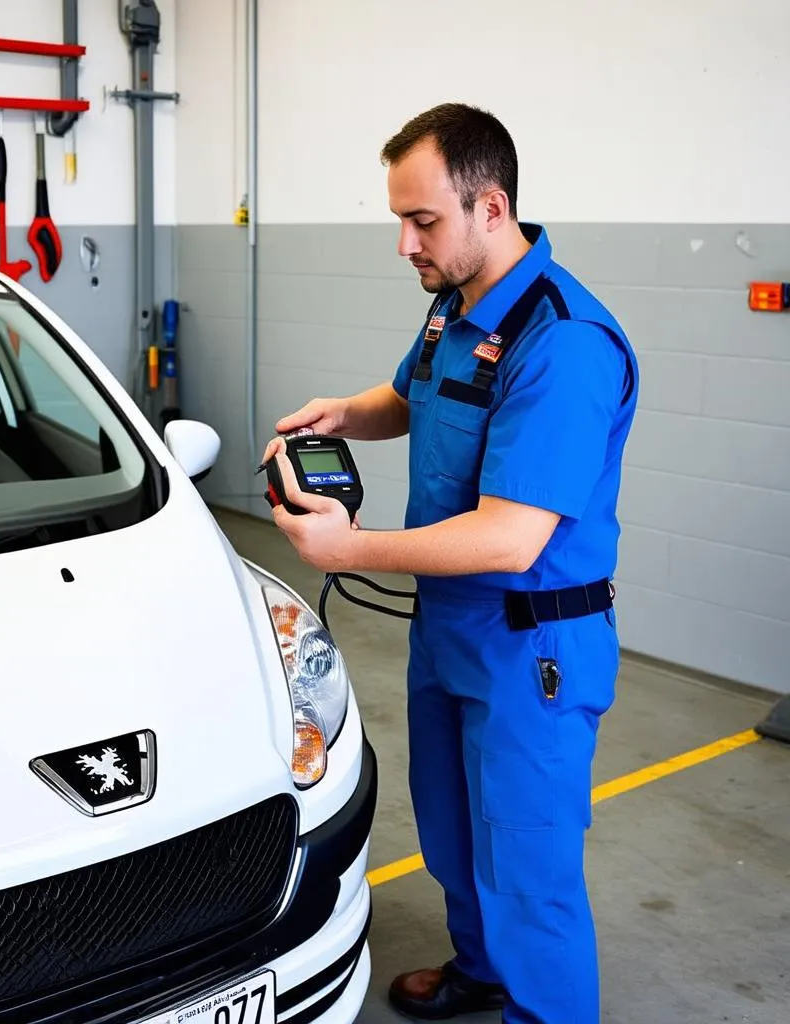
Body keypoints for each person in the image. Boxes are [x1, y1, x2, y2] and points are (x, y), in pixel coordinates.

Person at [261, 103, 639, 1024]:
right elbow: (413, 393)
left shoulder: (565, 344)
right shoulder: (454, 305)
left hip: (531, 653)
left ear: (491, 208)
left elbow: (512, 538)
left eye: (423, 221)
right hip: (451, 629)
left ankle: (542, 1007)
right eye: (399, 218)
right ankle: (481, 970)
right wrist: (346, 414)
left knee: (529, 869)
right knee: (454, 835)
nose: (405, 243)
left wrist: (348, 549)